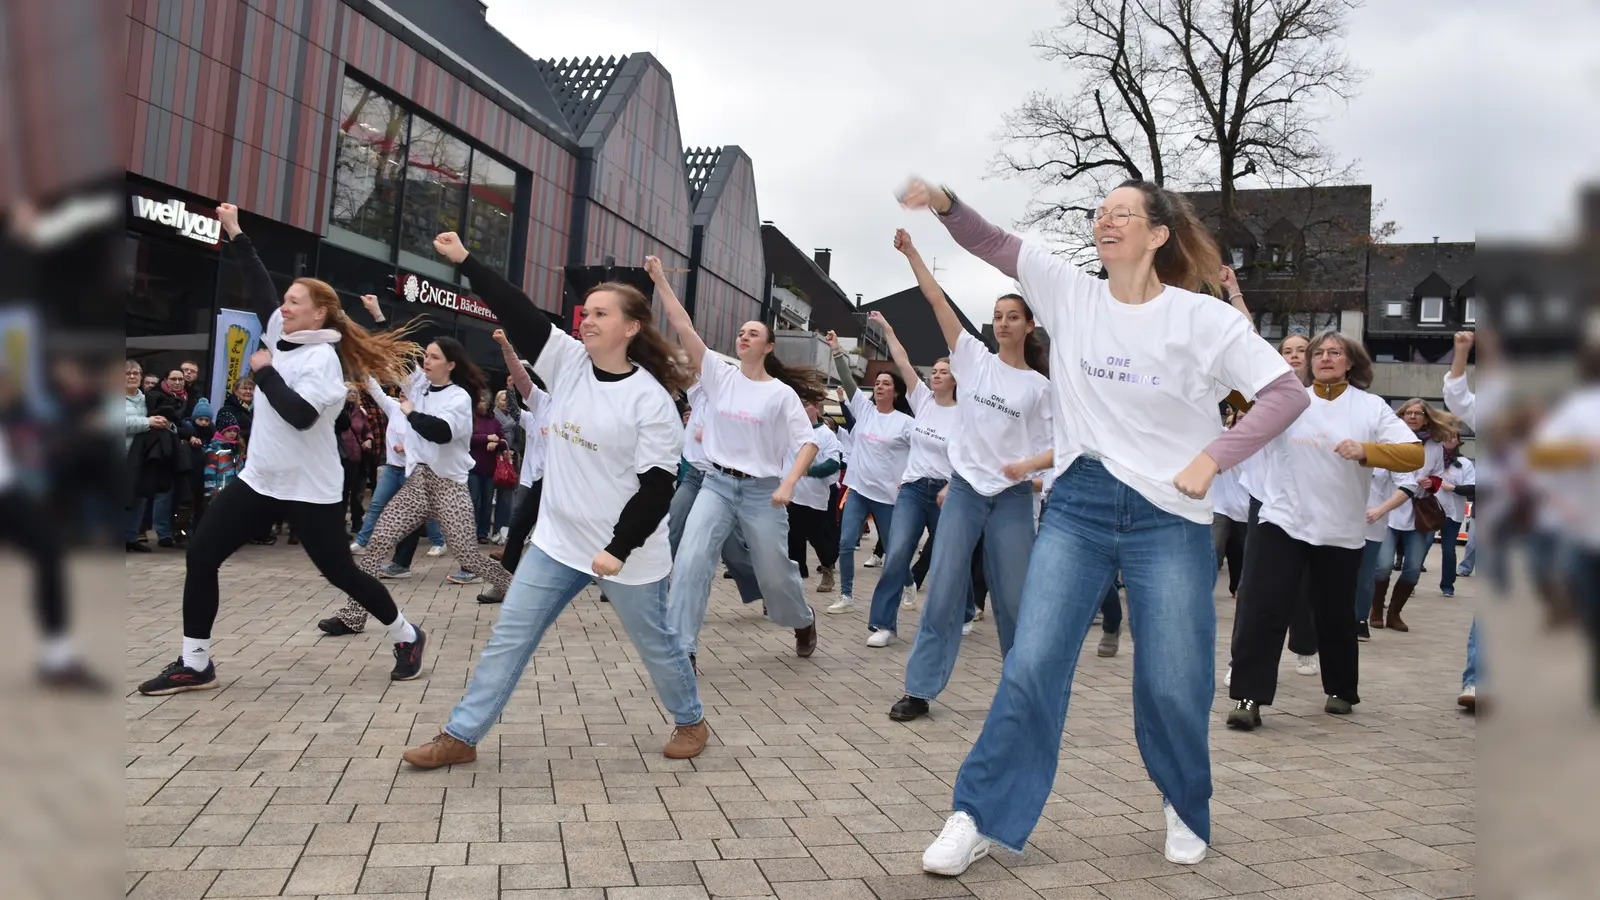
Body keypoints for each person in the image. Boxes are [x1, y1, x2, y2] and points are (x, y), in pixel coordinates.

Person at [899, 178, 1306, 873]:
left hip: (1170, 516)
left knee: (1174, 679)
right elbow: (993, 243)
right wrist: (943, 202)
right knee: (1030, 663)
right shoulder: (1069, 293)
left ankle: (1182, 800)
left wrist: (1215, 456)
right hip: (1081, 504)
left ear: (1156, 236)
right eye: (1101, 213)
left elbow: (1282, 394)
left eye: (1124, 213)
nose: (1107, 221)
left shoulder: (1204, 321)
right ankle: (979, 814)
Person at [400, 232, 708, 767]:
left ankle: (691, 719)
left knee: (658, 645)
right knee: (508, 639)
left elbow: (659, 486)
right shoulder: (567, 361)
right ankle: (461, 736)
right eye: (585, 312)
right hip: (558, 541)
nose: (586, 321)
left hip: (627, 553)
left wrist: (617, 548)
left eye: (601, 314)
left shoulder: (650, 401)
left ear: (631, 328)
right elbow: (517, 311)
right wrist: (468, 261)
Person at [137, 202, 429, 694]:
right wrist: (235, 232)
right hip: (261, 480)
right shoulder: (280, 331)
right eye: (287, 301)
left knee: (339, 573)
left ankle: (406, 635)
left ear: (319, 313)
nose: (285, 307)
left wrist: (264, 372)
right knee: (202, 555)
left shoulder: (323, 364)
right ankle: (195, 661)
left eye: (296, 302)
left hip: (311, 489)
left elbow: (300, 416)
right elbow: (257, 283)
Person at [887, 228, 1052, 717]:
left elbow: (1062, 447)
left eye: (1012, 317)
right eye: (998, 316)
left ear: (1028, 325)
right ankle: (919, 689)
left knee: (1015, 600)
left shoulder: (1040, 388)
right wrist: (913, 252)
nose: (1002, 323)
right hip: (963, 492)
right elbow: (936, 300)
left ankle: (1022, 694)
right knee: (942, 588)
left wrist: (1027, 465)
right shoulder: (972, 359)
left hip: (1013, 501)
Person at [1225, 332, 1422, 729]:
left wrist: (1368, 451)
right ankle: (1249, 698)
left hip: (1340, 529)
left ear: (1351, 362)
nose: (1326, 358)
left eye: (1336, 353)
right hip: (1282, 520)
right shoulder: (1290, 401)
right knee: (1261, 607)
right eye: (1319, 353)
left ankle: (1341, 690)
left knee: (1334, 615)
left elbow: (1413, 453)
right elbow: (1237, 393)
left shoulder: (1371, 407)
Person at [654, 256, 824, 666]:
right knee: (693, 559)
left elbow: (808, 444)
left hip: (762, 492)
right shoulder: (719, 374)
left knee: (773, 573)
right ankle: (683, 648)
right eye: (741, 332)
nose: (744, 337)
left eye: (754, 333)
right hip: (715, 484)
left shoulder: (781, 394)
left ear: (768, 347)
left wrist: (787, 485)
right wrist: (660, 279)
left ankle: (802, 619)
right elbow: (683, 326)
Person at [321, 336, 515, 633]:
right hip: (418, 483)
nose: (427, 361)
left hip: (448, 486)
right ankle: (353, 615)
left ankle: (509, 586)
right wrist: (378, 316)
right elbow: (397, 356)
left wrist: (410, 412)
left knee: (467, 556)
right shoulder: (420, 384)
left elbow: (441, 432)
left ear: (450, 364)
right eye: (426, 355)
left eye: (435, 357)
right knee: (379, 541)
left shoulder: (458, 398)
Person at [861, 308, 960, 646]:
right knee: (898, 550)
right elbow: (901, 360)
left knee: (950, 556)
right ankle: (883, 625)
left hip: (948, 493)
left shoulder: (965, 414)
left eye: (943, 372)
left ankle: (960, 612)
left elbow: (970, 456)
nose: (935, 376)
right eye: (934, 371)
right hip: (914, 489)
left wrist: (952, 485)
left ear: (956, 378)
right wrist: (887, 328)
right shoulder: (923, 400)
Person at [825, 332, 913, 613]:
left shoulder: (905, 423)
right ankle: (846, 595)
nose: (879, 387)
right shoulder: (863, 410)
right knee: (846, 542)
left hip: (887, 495)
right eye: (877, 383)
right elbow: (848, 380)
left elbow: (921, 454)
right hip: (858, 489)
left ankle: (908, 584)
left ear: (895, 391)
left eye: (886, 383)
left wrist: (908, 481)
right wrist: (837, 350)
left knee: (893, 551)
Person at [476, 329, 552, 604]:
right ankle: (504, 584)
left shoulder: (582, 404)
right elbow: (520, 381)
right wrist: (508, 349)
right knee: (519, 528)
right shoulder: (543, 403)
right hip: (542, 480)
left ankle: (609, 580)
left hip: (573, 481)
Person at [1371, 397, 1457, 632]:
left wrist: (1431, 482)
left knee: (1412, 568)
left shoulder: (1434, 446)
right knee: (1384, 565)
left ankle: (1395, 614)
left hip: (1418, 513)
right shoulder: (1390, 440)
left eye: (1418, 413)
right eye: (1408, 412)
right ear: (1400, 415)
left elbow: (1439, 476)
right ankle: (1376, 609)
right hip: (1389, 509)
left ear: (1426, 418)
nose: (1412, 416)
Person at [787, 398, 843, 586]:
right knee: (793, 538)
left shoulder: (826, 435)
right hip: (791, 495)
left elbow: (833, 463)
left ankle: (827, 567)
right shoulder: (789, 430)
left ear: (816, 409)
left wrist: (808, 471)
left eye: (806, 404)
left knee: (818, 538)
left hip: (814, 497)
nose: (802, 408)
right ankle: (796, 578)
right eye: (799, 404)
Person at [1436, 434, 1475, 598]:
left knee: (1449, 550)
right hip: (1430, 509)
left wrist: (1452, 488)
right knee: (1421, 547)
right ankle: (1410, 581)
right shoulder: (1432, 457)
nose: (1449, 439)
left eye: (1453, 437)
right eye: (1445, 435)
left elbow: (1472, 488)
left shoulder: (1464, 464)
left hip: (1453, 513)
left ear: (1459, 441)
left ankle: (1447, 585)